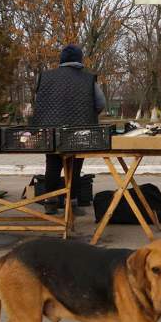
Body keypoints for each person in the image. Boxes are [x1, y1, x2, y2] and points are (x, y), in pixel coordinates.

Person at [32, 44, 105, 215]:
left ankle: (50, 203)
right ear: (79, 59)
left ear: (62, 60)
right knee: (74, 168)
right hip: (79, 132)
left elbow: (39, 102)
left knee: (52, 165)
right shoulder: (88, 79)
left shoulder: (45, 77)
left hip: (50, 132)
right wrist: (88, 112)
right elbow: (100, 103)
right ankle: (71, 206)